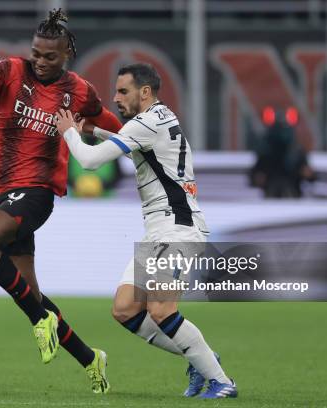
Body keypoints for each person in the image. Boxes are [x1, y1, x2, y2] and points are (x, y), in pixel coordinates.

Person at [0, 9, 122, 393]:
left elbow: (112, 125)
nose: (41, 62)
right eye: (36, 54)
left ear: (66, 56)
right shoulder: (9, 71)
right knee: (30, 293)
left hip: (37, 191)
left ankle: (39, 321)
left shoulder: (78, 90)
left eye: (50, 56)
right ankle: (91, 358)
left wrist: (142, 135)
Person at [55, 63, 238, 399]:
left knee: (161, 309)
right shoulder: (157, 119)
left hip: (178, 231)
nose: (115, 97)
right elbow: (131, 144)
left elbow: (92, 162)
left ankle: (221, 380)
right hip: (159, 233)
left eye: (123, 91)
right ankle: (202, 359)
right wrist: (92, 130)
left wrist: (68, 130)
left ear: (145, 92)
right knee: (125, 308)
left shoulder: (146, 123)